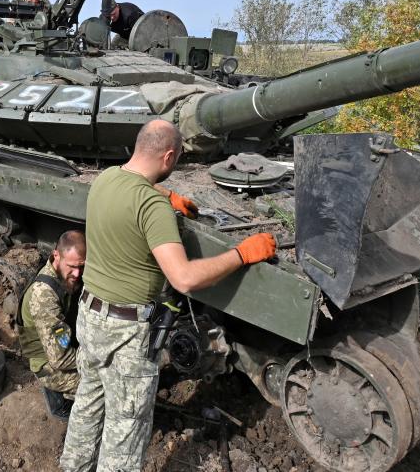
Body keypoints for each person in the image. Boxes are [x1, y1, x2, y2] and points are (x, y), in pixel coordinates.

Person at [59, 120, 277, 472]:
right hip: (125, 335)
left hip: (90, 317)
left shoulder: (106, 179)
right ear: (169, 156)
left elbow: (131, 195)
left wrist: (165, 197)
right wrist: (242, 253)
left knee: (88, 403)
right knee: (126, 430)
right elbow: (185, 278)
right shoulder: (151, 207)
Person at [18, 230, 87, 420]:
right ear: (56, 255)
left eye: (82, 266)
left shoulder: (63, 275)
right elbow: (60, 360)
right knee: (101, 387)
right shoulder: (44, 295)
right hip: (49, 367)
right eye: (72, 266)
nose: (77, 273)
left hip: (65, 349)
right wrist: (98, 360)